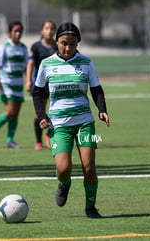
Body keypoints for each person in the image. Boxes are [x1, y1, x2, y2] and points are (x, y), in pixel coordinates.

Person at [32, 22, 110, 218]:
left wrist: (102, 109)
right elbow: (37, 92)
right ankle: (64, 183)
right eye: (64, 43)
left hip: (85, 122)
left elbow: (96, 89)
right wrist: (42, 116)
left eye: (72, 44)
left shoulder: (86, 62)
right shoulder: (47, 64)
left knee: (89, 168)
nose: (68, 48)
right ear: (56, 42)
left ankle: (90, 207)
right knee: (63, 168)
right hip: (59, 126)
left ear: (78, 44)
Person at [0, 21, 28, 149]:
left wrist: (28, 80)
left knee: (15, 114)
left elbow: (26, 67)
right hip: (6, 84)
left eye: (20, 31)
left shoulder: (23, 48)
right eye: (15, 31)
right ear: (10, 32)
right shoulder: (4, 47)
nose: (18, 33)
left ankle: (10, 140)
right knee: (10, 111)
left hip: (18, 84)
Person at [26, 21, 57, 150]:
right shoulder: (36, 46)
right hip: (41, 84)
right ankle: (38, 141)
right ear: (42, 31)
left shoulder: (57, 46)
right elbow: (30, 64)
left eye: (52, 29)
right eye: (46, 28)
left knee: (55, 111)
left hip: (55, 83)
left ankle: (49, 135)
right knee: (39, 113)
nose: (49, 31)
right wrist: (28, 80)